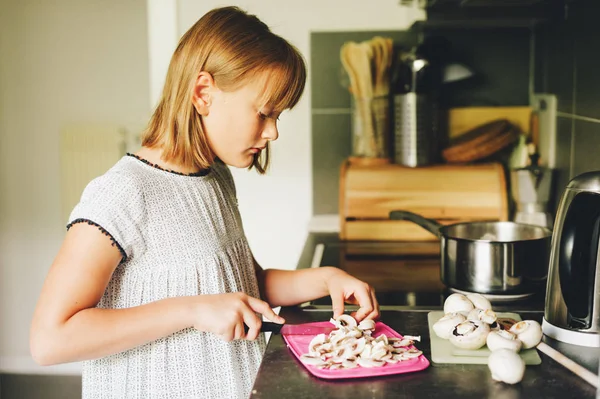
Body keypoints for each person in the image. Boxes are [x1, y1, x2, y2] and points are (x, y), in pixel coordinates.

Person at [29, 6, 379, 399]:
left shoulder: (214, 176)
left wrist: (325, 278)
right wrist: (192, 310)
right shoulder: (124, 192)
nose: (273, 132)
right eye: (264, 113)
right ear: (203, 93)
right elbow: (50, 339)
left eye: (278, 116)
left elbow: (245, 283)